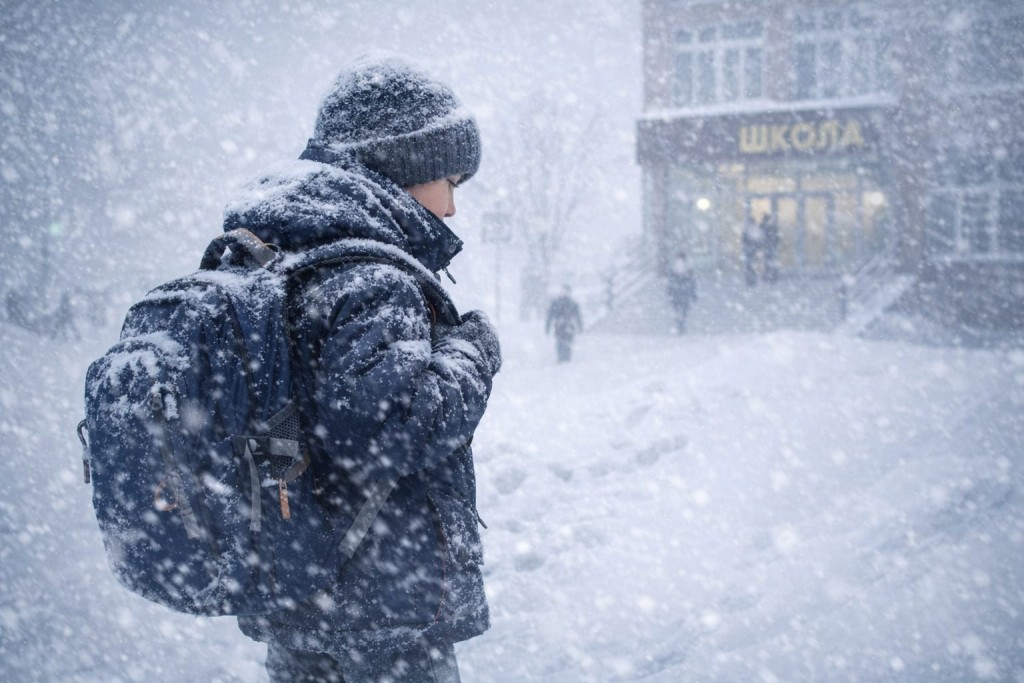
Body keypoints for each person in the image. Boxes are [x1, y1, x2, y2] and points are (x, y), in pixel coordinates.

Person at [224, 54, 501, 682]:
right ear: (404, 165)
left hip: (298, 582)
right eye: (451, 182)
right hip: (382, 602)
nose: (452, 208)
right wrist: (473, 351)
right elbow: (394, 430)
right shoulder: (371, 275)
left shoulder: (279, 257)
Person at [545, 285, 583, 362]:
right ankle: (563, 357)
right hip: (564, 325)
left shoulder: (558, 302)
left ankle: (564, 357)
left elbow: (550, 315)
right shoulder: (571, 303)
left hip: (564, 325)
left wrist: (548, 327)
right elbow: (550, 315)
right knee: (563, 341)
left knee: (564, 341)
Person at [666, 250, 697, 334]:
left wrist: (669, 292)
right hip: (685, 292)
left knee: (676, 309)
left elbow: (670, 281)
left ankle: (678, 323)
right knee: (684, 310)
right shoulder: (689, 268)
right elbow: (692, 282)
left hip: (676, 292)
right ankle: (681, 324)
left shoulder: (673, 267)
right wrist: (693, 294)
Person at [742, 217, 764, 287]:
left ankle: (751, 280)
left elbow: (744, 240)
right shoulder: (755, 230)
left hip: (751, 251)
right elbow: (760, 240)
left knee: (750, 266)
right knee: (752, 266)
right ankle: (752, 280)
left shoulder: (748, 230)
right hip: (753, 251)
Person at [761, 212, 780, 284]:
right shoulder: (771, 227)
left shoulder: (767, 227)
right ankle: (771, 277)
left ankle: (770, 277)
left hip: (769, 247)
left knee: (769, 262)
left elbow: (776, 237)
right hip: (770, 247)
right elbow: (777, 237)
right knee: (770, 262)